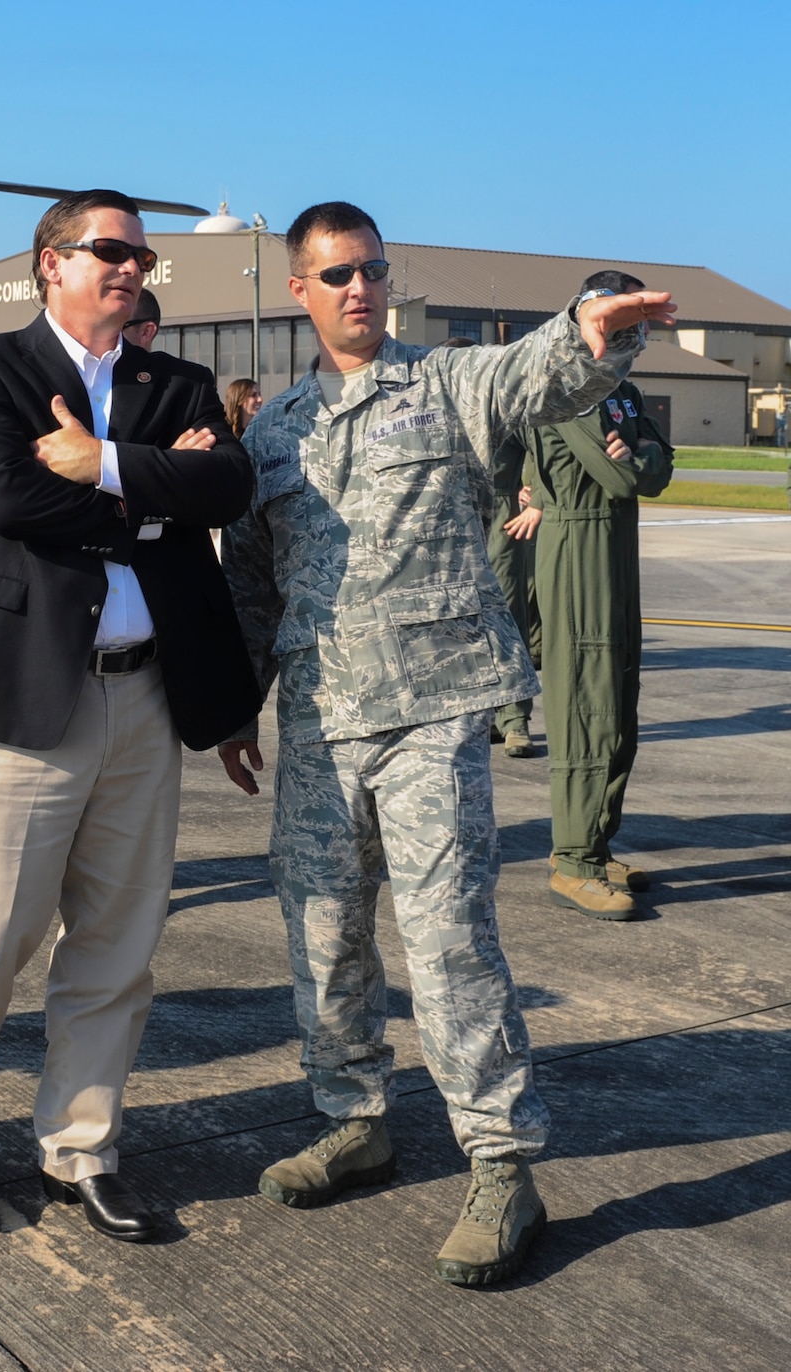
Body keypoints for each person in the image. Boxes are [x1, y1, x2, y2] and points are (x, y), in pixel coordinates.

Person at [217, 202, 676, 1286]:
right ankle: (352, 1117)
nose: (357, 290)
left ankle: (500, 1161)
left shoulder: (444, 384)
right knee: (323, 937)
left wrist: (593, 328)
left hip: (430, 717)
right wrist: (236, 702)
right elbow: (247, 578)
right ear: (299, 290)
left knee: (446, 943)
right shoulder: (273, 428)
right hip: (320, 727)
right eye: (334, 275)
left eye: (371, 271)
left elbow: (536, 375)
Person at [0, 190, 259, 1239]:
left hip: (147, 693)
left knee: (116, 936)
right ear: (48, 263)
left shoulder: (176, 377)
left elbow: (227, 489)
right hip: (28, 694)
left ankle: (79, 1146)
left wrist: (101, 466)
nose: (131, 267)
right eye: (109, 250)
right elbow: (10, 502)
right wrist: (158, 491)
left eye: (140, 255)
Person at [504, 270, 674, 919]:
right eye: (619, 324)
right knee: (584, 706)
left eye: (637, 330)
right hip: (576, 548)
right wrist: (636, 459)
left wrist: (638, 455)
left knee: (619, 700)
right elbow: (622, 474)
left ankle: (596, 844)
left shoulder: (621, 391)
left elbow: (657, 466)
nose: (631, 339)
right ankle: (572, 857)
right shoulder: (569, 391)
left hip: (616, 549)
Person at [444, 334, 546, 759]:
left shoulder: (503, 401)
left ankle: (515, 719)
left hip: (502, 512)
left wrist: (535, 495)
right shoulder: (436, 404)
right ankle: (481, 717)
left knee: (507, 615)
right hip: (452, 513)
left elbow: (541, 446)